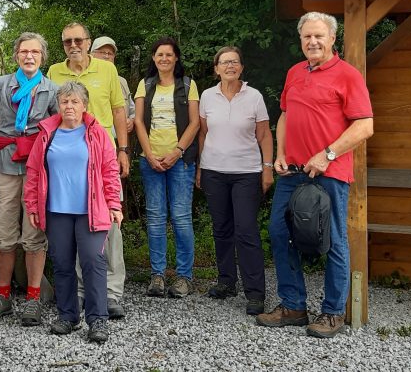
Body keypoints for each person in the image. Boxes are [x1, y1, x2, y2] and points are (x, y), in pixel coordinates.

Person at [257, 12, 374, 339]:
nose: (313, 42)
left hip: (329, 173)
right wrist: (280, 153)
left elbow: (365, 125)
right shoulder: (294, 72)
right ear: (300, 40)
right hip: (291, 172)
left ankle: (333, 312)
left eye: (319, 36)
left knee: (333, 239)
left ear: (332, 38)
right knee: (280, 233)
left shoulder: (348, 75)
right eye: (307, 36)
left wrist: (328, 153)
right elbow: (284, 115)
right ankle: (293, 306)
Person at [24, 82, 123, 343]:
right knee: (62, 264)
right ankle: (67, 316)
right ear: (59, 105)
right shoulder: (47, 133)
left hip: (91, 210)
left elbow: (110, 169)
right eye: (65, 101)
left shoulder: (96, 133)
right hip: (56, 210)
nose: (69, 106)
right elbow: (34, 171)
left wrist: (114, 203)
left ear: (84, 105)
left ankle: (98, 319)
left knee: (93, 261)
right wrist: (32, 205)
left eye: (75, 101)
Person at [47, 22, 129, 317]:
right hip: (68, 159)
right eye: (67, 41)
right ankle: (82, 292)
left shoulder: (107, 70)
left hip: (103, 158)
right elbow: (50, 115)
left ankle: (112, 292)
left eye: (78, 40)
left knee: (109, 226)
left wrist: (123, 150)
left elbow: (119, 110)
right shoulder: (54, 72)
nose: (73, 45)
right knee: (74, 227)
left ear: (88, 41)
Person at [0, 33, 59, 327]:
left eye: (35, 52)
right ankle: (3, 294)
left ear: (42, 57)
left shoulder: (51, 88)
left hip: (37, 164)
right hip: (5, 161)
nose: (29, 56)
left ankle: (33, 297)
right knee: (3, 229)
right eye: (24, 51)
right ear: (16, 55)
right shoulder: (2, 84)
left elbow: (56, 127)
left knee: (34, 230)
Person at [196, 46, 273, 316]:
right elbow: (203, 134)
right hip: (214, 171)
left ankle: (255, 293)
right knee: (221, 229)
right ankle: (227, 281)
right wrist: (200, 168)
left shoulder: (254, 97)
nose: (230, 66)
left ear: (241, 67)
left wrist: (267, 168)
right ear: (216, 68)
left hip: (246, 172)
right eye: (224, 62)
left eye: (235, 62)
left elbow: (264, 135)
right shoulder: (207, 96)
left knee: (247, 230)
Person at [134, 37, 200, 299]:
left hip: (180, 161)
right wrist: (148, 154)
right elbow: (138, 121)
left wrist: (177, 152)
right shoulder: (145, 85)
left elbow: (194, 123)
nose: (164, 59)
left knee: (182, 219)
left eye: (169, 55)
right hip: (150, 160)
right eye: (160, 55)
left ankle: (185, 276)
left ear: (176, 58)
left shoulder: (188, 85)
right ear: (153, 58)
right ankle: (157, 275)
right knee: (156, 219)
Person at [89, 36, 135, 137]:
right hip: (94, 141)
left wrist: (131, 120)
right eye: (102, 52)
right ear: (91, 54)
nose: (106, 56)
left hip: (119, 142)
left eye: (110, 53)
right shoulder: (84, 80)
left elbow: (132, 110)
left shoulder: (122, 82)